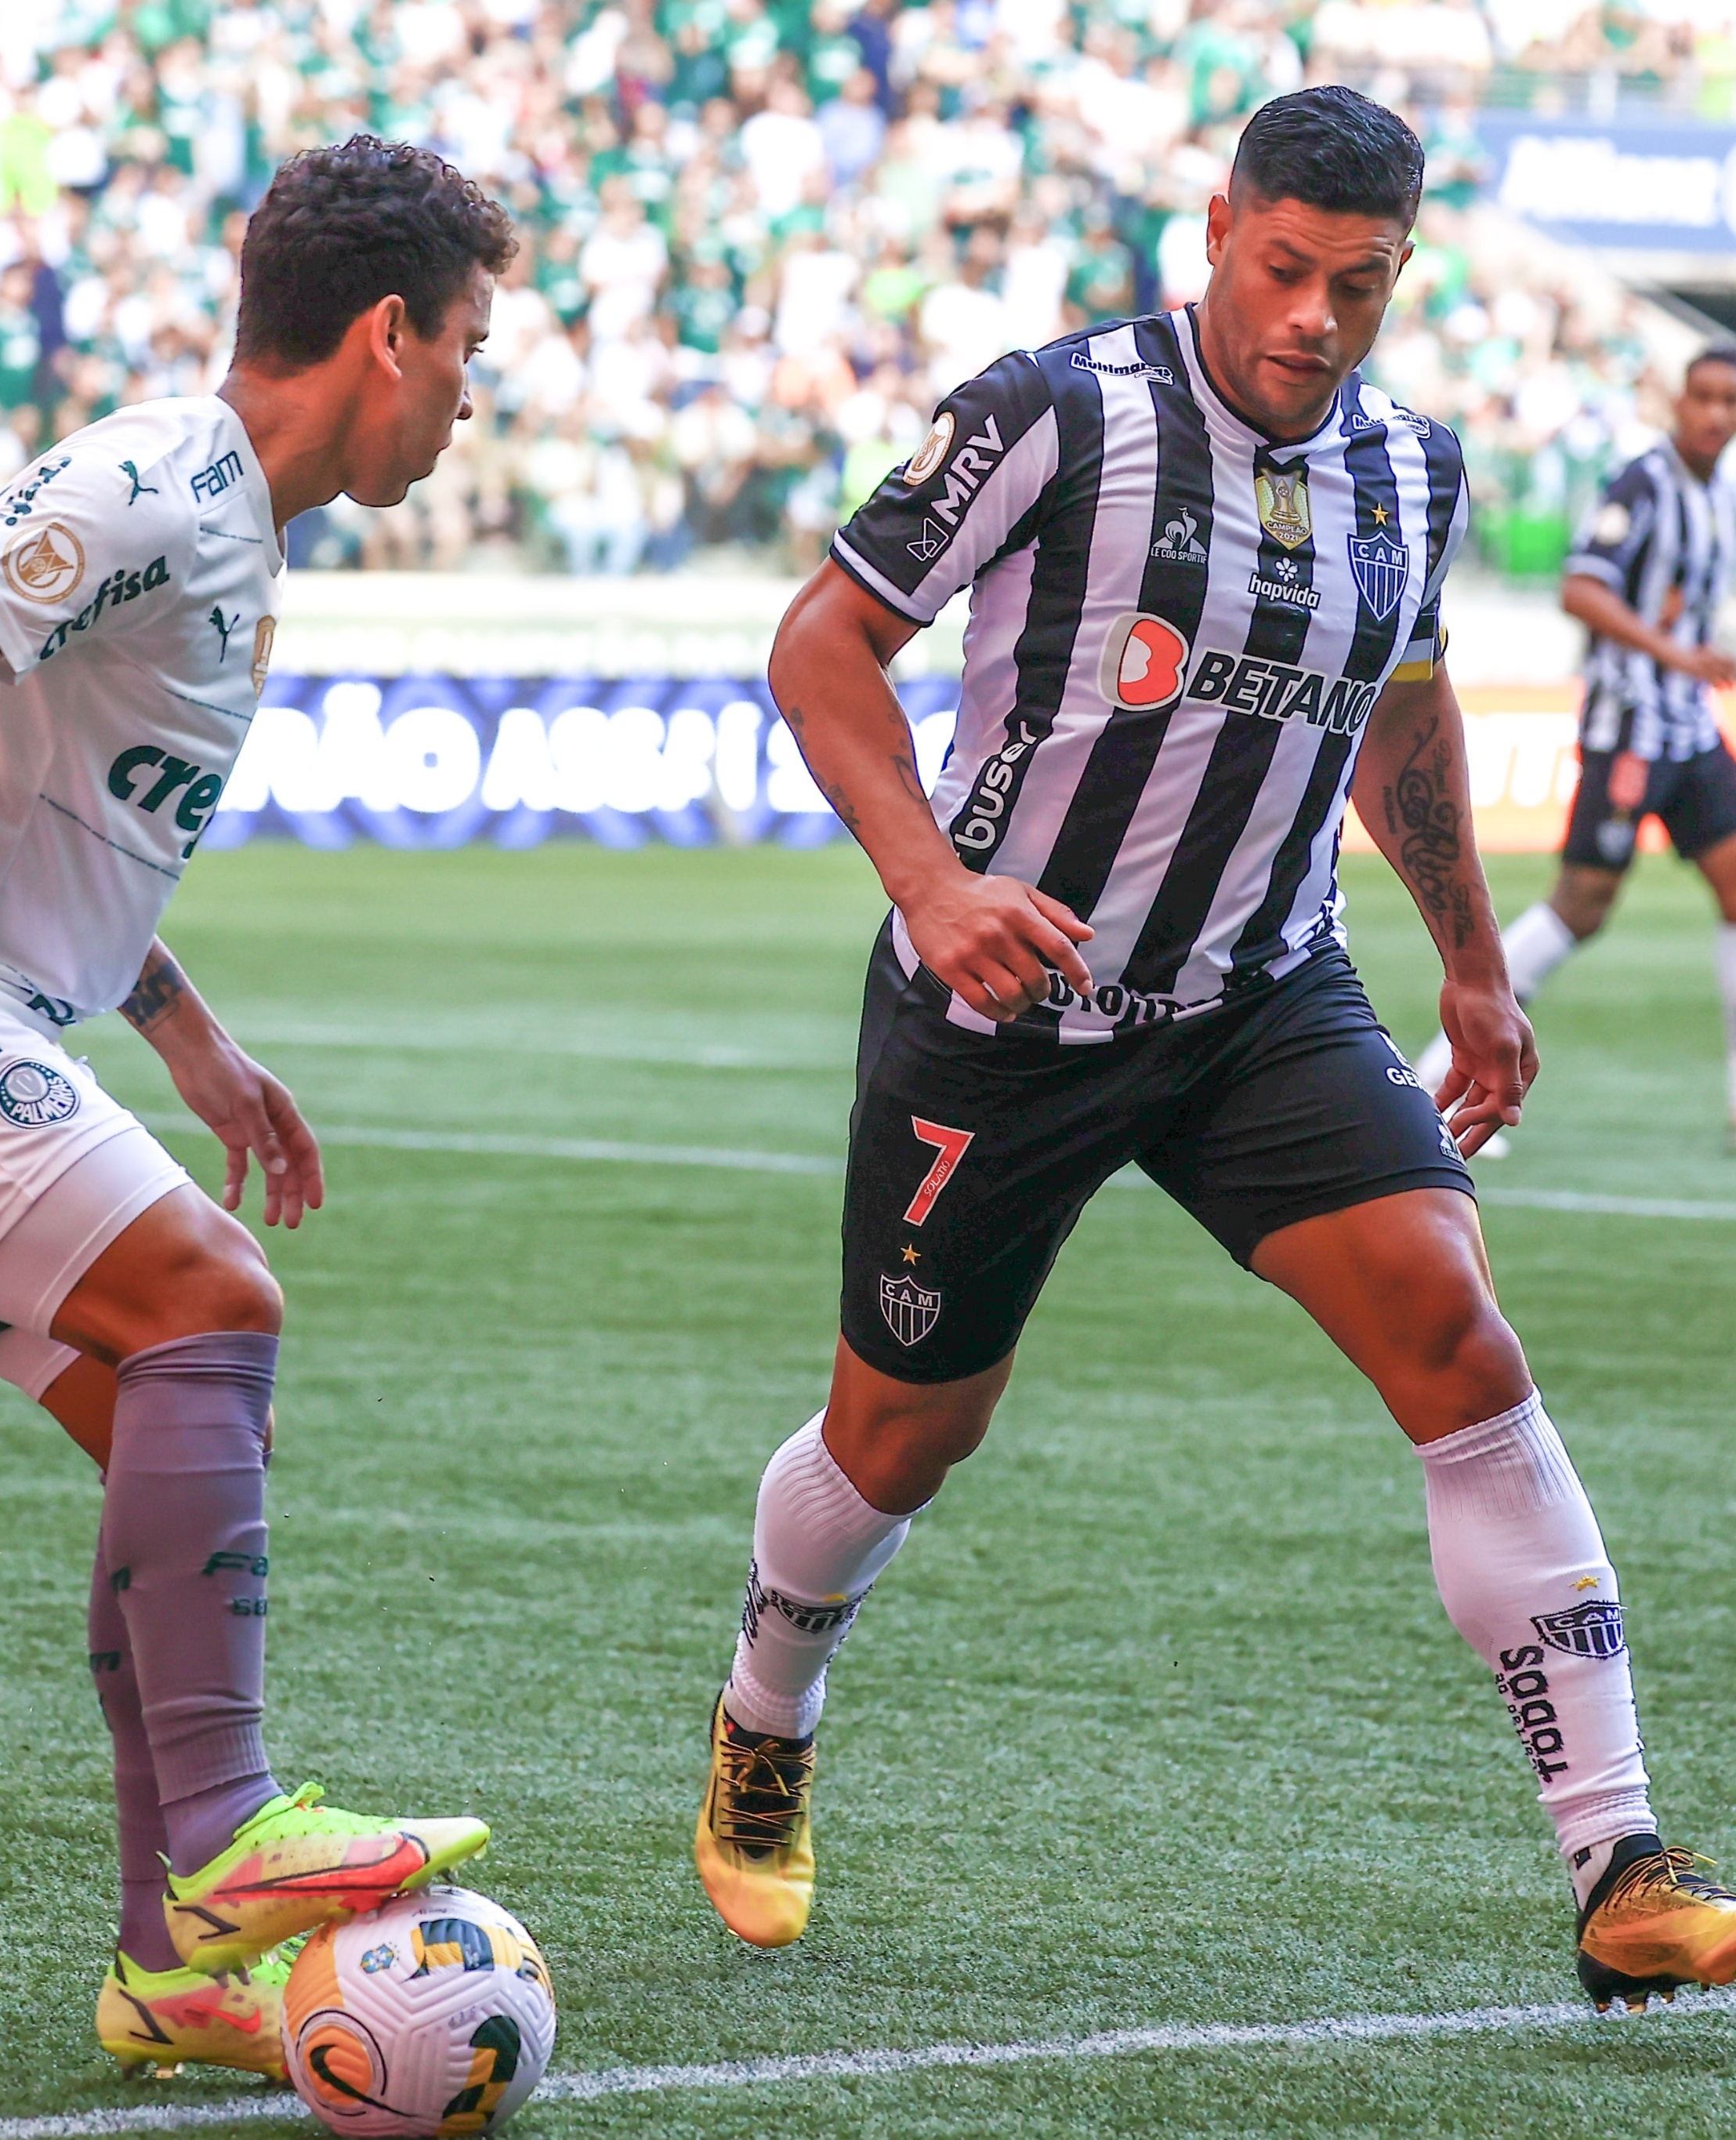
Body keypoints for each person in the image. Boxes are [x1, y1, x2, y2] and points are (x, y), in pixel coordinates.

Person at [694, 86, 1736, 2012]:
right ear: (1213, 230)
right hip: (1002, 1014)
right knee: (904, 1433)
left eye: (1356, 284)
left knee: (1452, 1328)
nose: (1314, 318)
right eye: (1281, 270)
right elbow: (820, 649)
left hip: (1260, 997)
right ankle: (767, 1710)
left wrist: (1472, 968)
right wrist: (931, 887)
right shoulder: (1051, 412)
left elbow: (1401, 708)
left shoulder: (1409, 471)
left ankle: (1613, 1857)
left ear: (1397, 274)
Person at [0, 138, 515, 2084]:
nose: (477, 392)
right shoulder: (161, 482)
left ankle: (169, 1964)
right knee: (212, 1308)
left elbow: (45, 814)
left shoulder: (241, 538)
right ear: (384, 337)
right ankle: (226, 1840)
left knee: (171, 1406)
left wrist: (182, 1026)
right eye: (470, 346)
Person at [1410, 349, 1736, 1148]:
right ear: (1677, 402)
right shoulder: (1644, 482)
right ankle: (1430, 1079)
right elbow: (1579, 588)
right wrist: (1676, 655)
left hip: (1689, 730)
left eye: (1729, 401)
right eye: (1701, 397)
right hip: (1630, 727)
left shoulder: (1719, 493)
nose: (1714, 415)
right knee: (1580, 906)